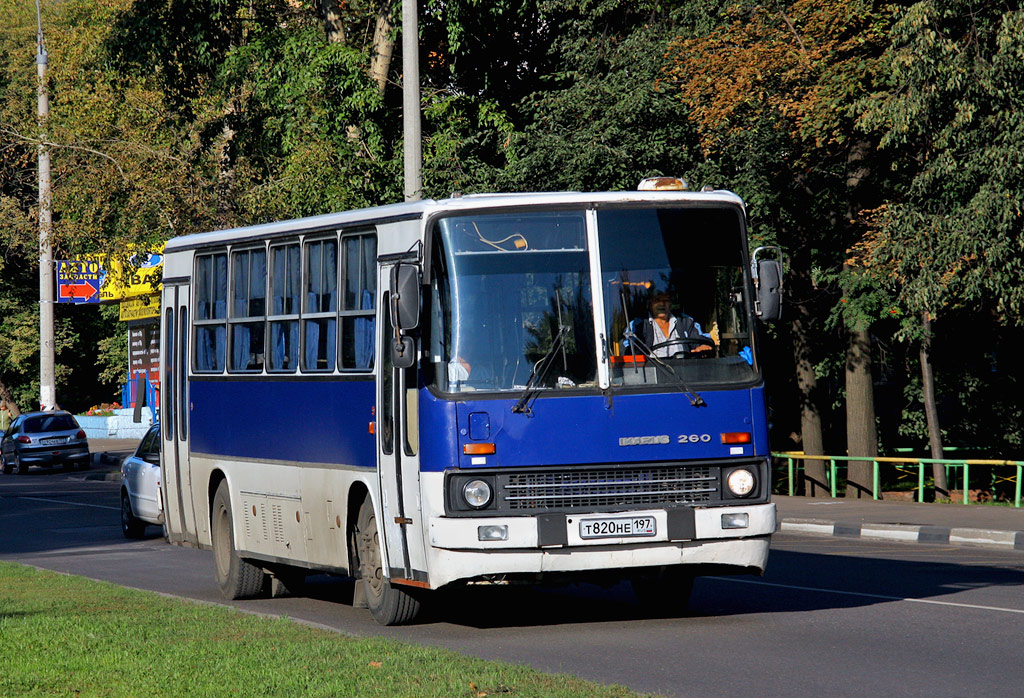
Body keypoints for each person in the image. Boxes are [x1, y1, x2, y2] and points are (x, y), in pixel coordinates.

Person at [623, 291, 713, 358]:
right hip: (650, 376)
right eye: (657, 300)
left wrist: (702, 347)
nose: (662, 304)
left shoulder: (685, 321)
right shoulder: (638, 325)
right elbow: (628, 350)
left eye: (666, 300)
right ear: (649, 303)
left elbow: (701, 340)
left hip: (685, 373)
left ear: (670, 304)